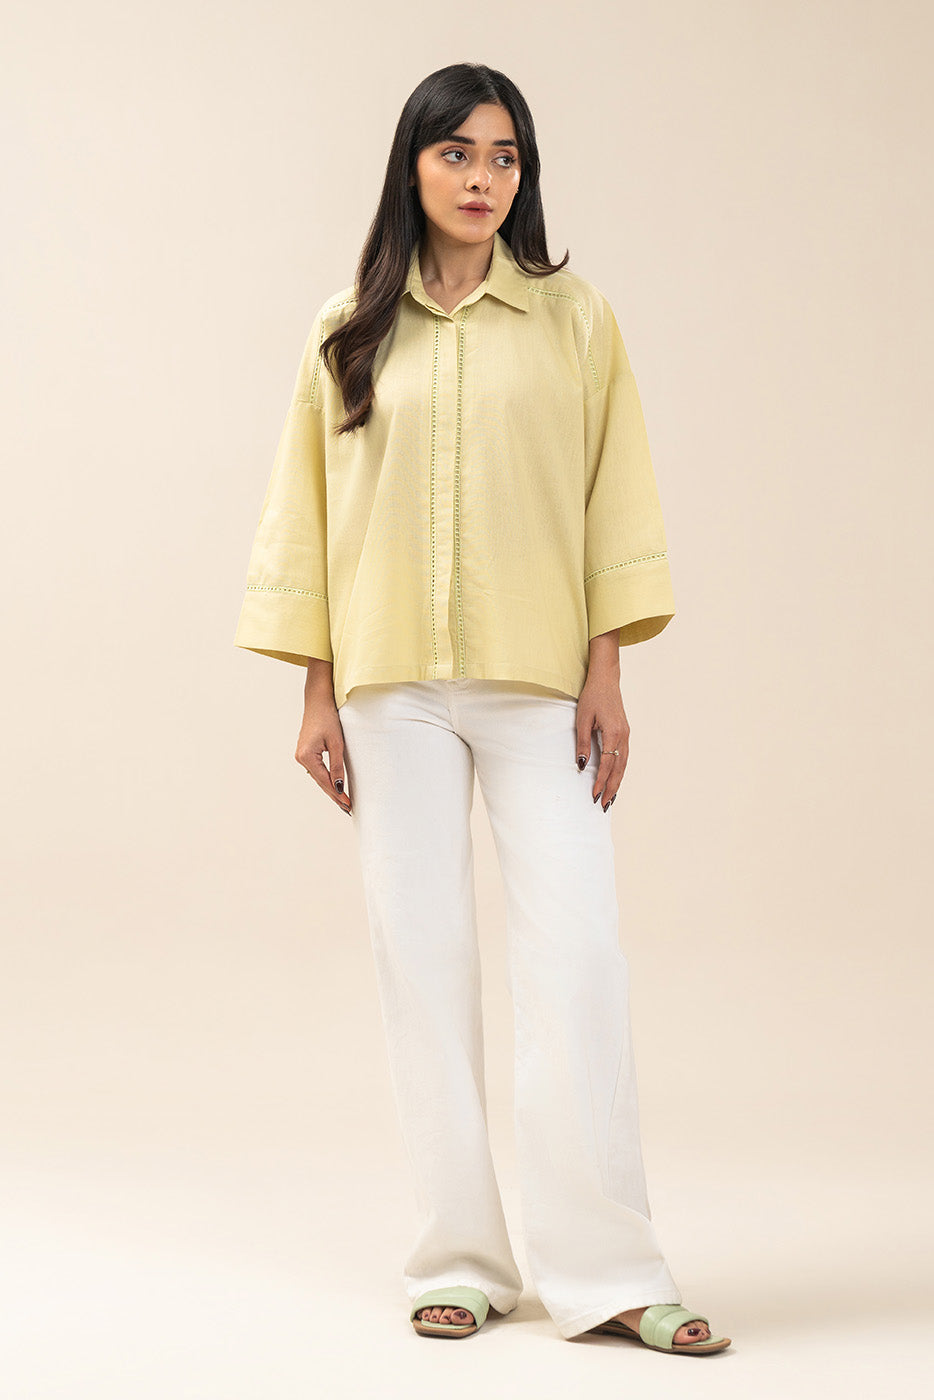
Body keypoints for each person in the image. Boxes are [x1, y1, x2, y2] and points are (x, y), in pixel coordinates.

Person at [233, 62, 732, 1355]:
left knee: (578, 963)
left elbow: (615, 491)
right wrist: (316, 690)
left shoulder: (574, 320)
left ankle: (608, 1272)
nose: (481, 178)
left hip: (537, 685)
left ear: (525, 174)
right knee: (422, 965)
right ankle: (456, 1259)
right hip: (388, 686)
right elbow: (310, 507)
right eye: (455, 152)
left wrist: (608, 669)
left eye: (503, 156)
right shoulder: (348, 326)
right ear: (412, 165)